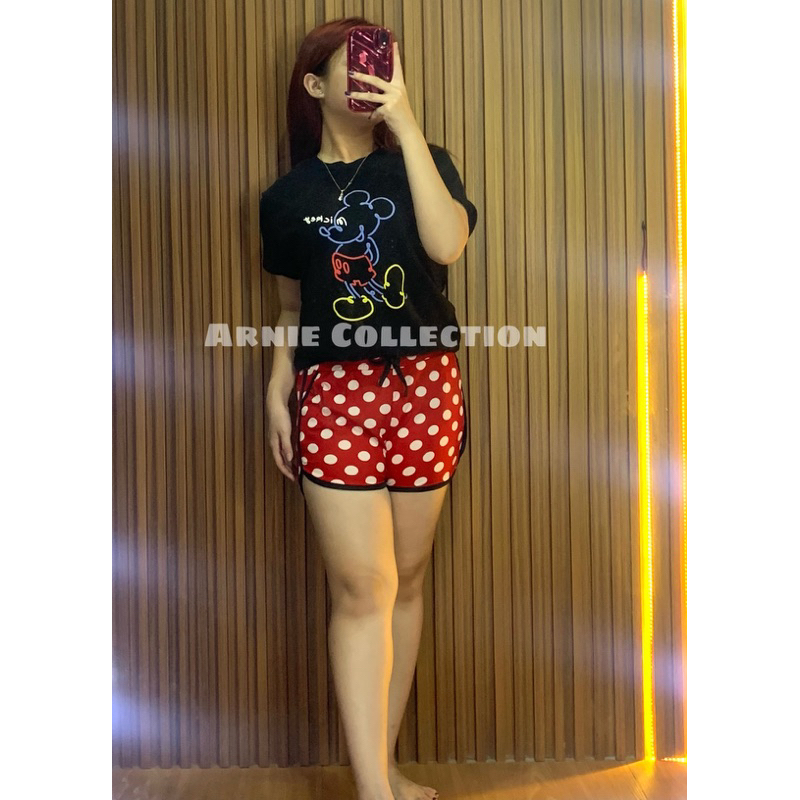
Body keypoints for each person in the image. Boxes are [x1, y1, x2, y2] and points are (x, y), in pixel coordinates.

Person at [259, 17, 477, 800]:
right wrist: (276, 388)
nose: (373, 76)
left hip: (426, 385)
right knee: (364, 588)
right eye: (355, 65)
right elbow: (292, 309)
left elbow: (447, 245)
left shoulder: (425, 162)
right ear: (316, 85)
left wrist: (406, 125)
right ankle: (375, 794)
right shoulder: (285, 197)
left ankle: (382, 771)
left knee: (406, 583)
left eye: (383, 65)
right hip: (335, 393)